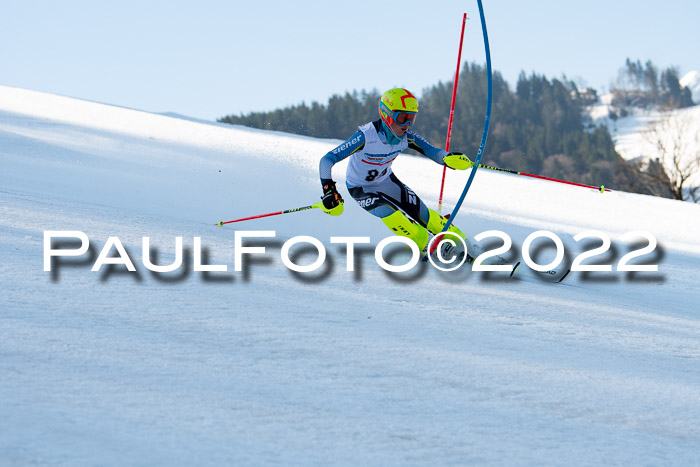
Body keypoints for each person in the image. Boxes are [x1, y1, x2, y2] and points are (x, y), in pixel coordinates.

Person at [318, 87, 475, 261]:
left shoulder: (407, 137)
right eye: (402, 118)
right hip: (360, 188)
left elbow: (433, 152)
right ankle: (425, 245)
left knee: (422, 214)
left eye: (411, 118)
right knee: (388, 211)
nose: (407, 125)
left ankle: (468, 245)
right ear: (386, 114)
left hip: (386, 181)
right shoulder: (365, 136)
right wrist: (328, 189)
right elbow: (327, 160)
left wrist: (449, 159)